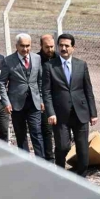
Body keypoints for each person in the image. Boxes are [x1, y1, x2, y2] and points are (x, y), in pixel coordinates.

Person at [43, 33, 97, 176]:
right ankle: (60, 173)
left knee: (83, 148)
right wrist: (51, 112)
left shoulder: (81, 65)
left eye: (67, 46)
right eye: (61, 45)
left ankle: (81, 177)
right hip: (60, 115)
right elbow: (46, 92)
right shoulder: (49, 66)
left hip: (81, 112)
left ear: (73, 47)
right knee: (62, 146)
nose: (64, 48)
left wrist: (93, 113)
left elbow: (88, 89)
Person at [0, 33, 45, 157]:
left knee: (36, 132)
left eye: (28, 46)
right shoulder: (8, 61)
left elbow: (40, 80)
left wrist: (41, 98)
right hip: (16, 104)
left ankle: (41, 163)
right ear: (17, 46)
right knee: (20, 134)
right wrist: (6, 102)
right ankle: (25, 161)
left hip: (33, 102)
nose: (25, 49)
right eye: (22, 46)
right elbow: (2, 83)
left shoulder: (36, 58)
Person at [38, 34, 57, 162]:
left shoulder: (58, 58)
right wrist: (41, 99)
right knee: (47, 130)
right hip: (44, 100)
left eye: (51, 47)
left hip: (58, 98)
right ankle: (49, 158)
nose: (50, 50)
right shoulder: (37, 59)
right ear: (41, 46)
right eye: (47, 47)